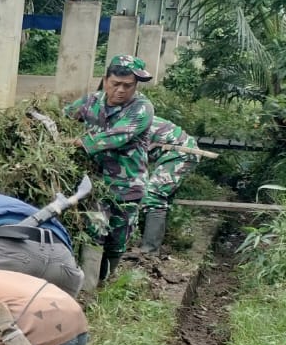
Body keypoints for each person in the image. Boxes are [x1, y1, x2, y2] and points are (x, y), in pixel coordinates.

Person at [65, 54, 154, 281]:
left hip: (127, 186)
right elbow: (64, 117)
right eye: (116, 84)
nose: (121, 90)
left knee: (118, 238)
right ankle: (89, 285)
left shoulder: (142, 108)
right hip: (94, 184)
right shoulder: (90, 102)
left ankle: (107, 280)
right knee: (95, 230)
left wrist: (79, 142)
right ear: (105, 81)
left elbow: (118, 136)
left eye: (128, 86)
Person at [139, 116, 203, 252]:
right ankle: (153, 245)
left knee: (153, 195)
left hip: (180, 152)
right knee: (159, 197)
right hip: (173, 152)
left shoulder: (126, 121)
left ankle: (149, 251)